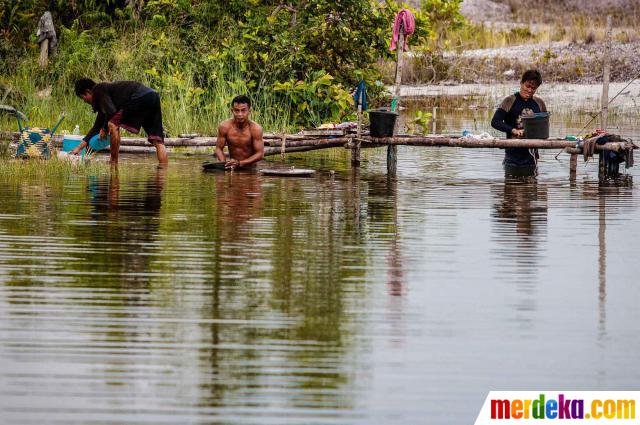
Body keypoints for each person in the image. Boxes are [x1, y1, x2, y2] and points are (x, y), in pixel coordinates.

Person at [71, 78, 168, 164]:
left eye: (83, 97)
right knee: (158, 141)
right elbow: (96, 127)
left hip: (138, 96)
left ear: (88, 91)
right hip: (153, 96)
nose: (84, 101)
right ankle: (163, 173)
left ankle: (113, 162)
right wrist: (79, 148)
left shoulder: (98, 90)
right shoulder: (104, 97)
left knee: (112, 124)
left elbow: (111, 112)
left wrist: (105, 128)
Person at [491, 70, 547, 174]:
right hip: (512, 156)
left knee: (531, 188)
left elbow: (544, 127)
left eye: (533, 88)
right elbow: (495, 122)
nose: (530, 90)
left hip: (531, 157)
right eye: (527, 86)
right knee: (511, 188)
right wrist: (513, 130)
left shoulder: (539, 103)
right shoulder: (509, 101)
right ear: (521, 83)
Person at [215, 95, 264, 170]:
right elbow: (218, 148)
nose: (240, 114)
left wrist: (240, 163)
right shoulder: (224, 126)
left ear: (249, 111)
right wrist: (223, 164)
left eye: (243, 110)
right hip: (232, 167)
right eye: (236, 110)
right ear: (232, 111)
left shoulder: (256, 129)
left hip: (251, 170)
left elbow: (260, 154)